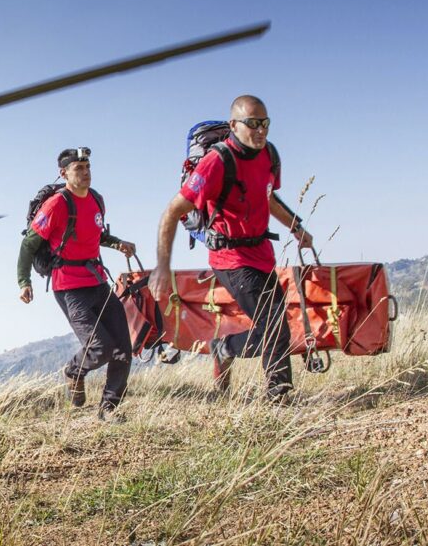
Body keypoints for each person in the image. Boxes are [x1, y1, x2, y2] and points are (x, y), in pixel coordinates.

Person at [150, 95, 314, 402]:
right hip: (229, 258)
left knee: (276, 326)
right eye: (252, 123)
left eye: (265, 123)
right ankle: (280, 396)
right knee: (274, 324)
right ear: (234, 125)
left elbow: (268, 199)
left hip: (262, 254)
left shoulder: (270, 155)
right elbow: (172, 211)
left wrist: (296, 227)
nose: (260, 130)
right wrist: (162, 266)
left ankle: (223, 348)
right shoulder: (217, 162)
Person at [17, 147, 136, 420]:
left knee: (123, 349)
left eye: (87, 167)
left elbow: (95, 233)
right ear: (64, 173)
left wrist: (118, 243)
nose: (85, 173)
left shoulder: (96, 199)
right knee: (100, 347)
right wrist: (24, 281)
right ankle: (73, 371)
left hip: (97, 281)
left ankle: (108, 409)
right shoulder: (57, 204)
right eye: (78, 168)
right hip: (69, 286)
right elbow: (28, 244)